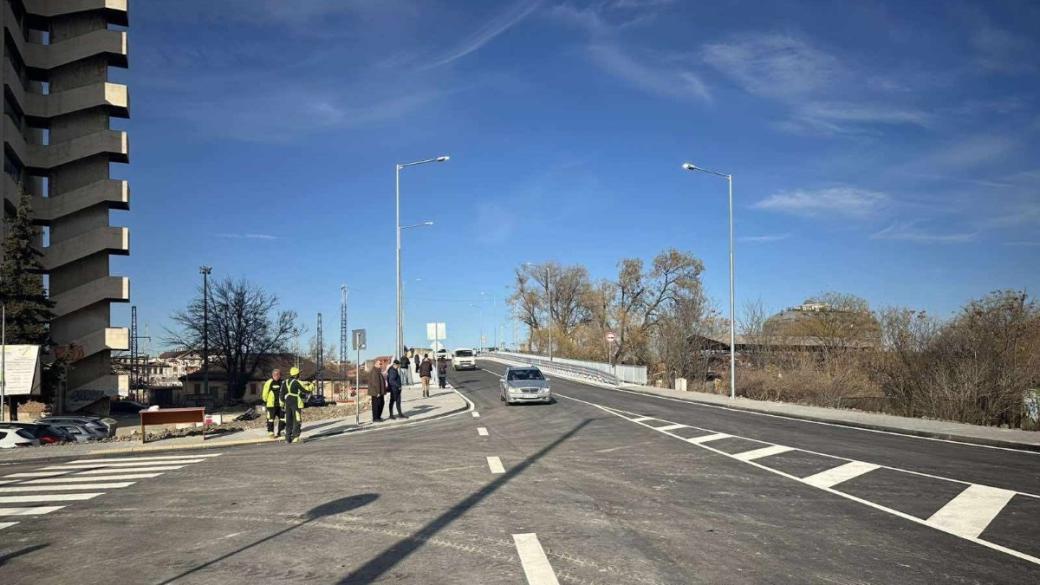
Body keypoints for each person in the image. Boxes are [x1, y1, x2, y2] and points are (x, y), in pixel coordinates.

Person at [280, 366, 312, 444]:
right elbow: (305, 390)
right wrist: (311, 385)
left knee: (288, 420)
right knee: (297, 420)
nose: (299, 375)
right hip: (295, 402)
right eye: (298, 374)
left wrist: (282, 403)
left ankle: (287, 438)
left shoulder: (285, 382)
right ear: (296, 374)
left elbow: (281, 394)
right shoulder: (296, 382)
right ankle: (295, 437)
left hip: (287, 402)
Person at [261, 368, 286, 438]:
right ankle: (271, 432)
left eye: (278, 374)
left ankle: (281, 431)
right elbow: (265, 393)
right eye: (275, 374)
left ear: (280, 375)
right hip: (271, 405)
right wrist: (265, 401)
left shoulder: (282, 382)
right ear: (272, 375)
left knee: (282, 418)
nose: (277, 376)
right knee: (271, 419)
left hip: (281, 404)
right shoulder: (269, 382)